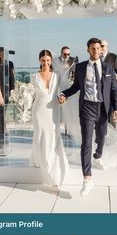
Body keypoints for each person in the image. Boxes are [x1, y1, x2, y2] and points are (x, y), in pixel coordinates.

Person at [59, 38, 117, 196]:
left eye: (98, 48)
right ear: (88, 50)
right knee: (86, 141)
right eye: (92, 48)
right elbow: (76, 87)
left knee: (101, 136)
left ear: (101, 50)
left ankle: (98, 154)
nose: (95, 51)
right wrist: (64, 94)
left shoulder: (108, 67)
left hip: (103, 108)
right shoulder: (80, 67)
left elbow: (113, 89)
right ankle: (87, 178)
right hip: (87, 107)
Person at [31, 50, 69, 186]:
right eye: (43, 60)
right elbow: (31, 95)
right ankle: (39, 161)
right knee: (40, 135)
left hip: (53, 110)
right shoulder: (34, 76)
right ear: (39, 60)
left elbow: (62, 91)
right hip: (38, 110)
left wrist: (62, 97)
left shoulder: (56, 76)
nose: (45, 63)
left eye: (48, 60)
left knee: (53, 136)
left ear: (51, 60)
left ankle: (54, 168)